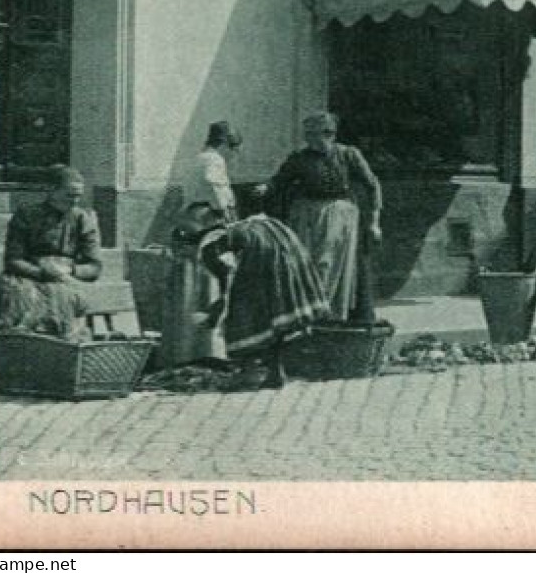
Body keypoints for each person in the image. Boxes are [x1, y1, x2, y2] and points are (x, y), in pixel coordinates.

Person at [194, 185, 330, 389]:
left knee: (250, 321)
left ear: (241, 208)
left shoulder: (243, 229)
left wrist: (223, 276)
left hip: (261, 284)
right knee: (275, 327)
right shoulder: (280, 228)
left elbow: (209, 252)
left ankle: (250, 371)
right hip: (287, 286)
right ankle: (276, 372)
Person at [267, 111, 382, 323]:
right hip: (307, 215)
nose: (308, 139)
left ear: (330, 134)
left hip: (340, 213)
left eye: (313, 134)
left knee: (329, 263)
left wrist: (374, 222)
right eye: (307, 135)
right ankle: (309, 311)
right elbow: (279, 181)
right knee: (308, 263)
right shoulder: (299, 159)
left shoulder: (349, 154)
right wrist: (265, 188)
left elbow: (372, 185)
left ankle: (331, 311)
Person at [161, 121, 241, 367]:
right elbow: (213, 184)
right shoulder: (214, 161)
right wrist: (225, 211)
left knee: (194, 282)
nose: (234, 155)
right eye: (234, 149)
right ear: (225, 144)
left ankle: (188, 348)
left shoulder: (197, 158)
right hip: (205, 222)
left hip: (190, 221)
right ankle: (209, 349)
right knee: (215, 278)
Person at [0, 165, 103, 336]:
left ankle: (58, 349)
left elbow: (94, 267)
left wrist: (70, 270)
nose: (74, 201)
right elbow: (13, 260)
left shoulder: (83, 219)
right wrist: (41, 272)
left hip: (65, 277)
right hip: (27, 275)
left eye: (78, 196)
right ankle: (19, 346)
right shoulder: (26, 215)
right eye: (69, 195)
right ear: (52, 191)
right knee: (18, 295)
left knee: (63, 297)